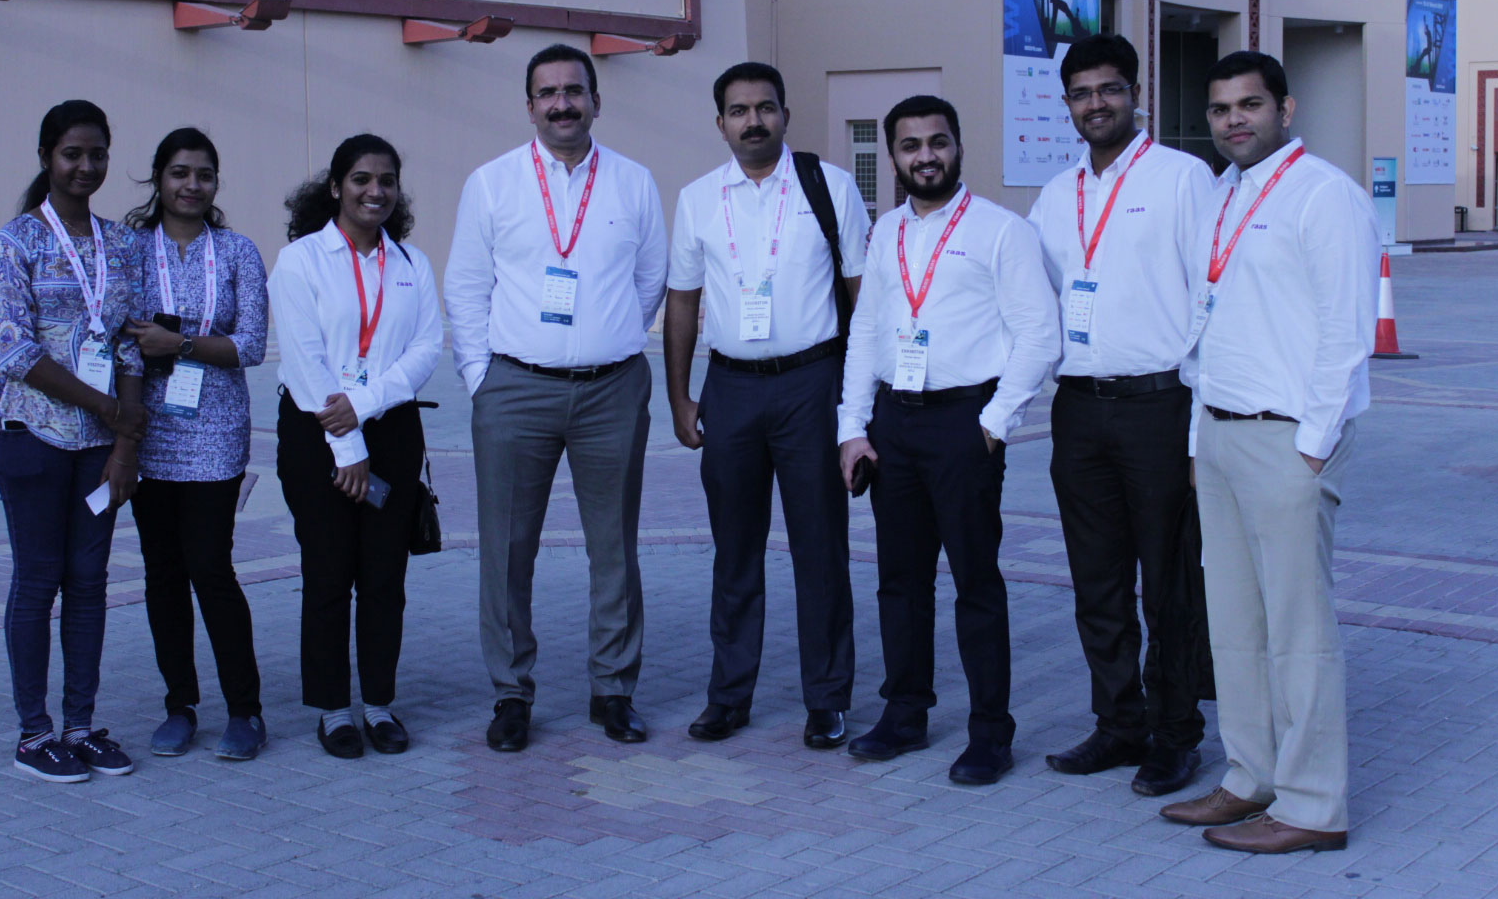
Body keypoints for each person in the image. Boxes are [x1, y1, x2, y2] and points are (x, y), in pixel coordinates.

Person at [1161, 51, 1378, 854]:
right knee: (1235, 623)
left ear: (1285, 109)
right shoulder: (1223, 195)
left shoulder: (1324, 195)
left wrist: (1313, 447)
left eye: (1250, 105)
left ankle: (1314, 806)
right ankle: (1250, 776)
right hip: (1221, 432)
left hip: (1288, 439)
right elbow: (1207, 325)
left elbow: (1347, 332)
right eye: (1220, 109)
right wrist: (1199, 438)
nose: (1234, 121)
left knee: (1297, 630)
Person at [445, 43, 668, 753]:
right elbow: (466, 286)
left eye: (575, 91)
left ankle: (613, 690)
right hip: (515, 388)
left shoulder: (633, 182)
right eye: (548, 93)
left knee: (615, 546)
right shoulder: (491, 183)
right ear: (530, 106)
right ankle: (511, 693)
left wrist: (607, 337)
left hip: (612, 389)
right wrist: (482, 379)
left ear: (597, 101)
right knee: (508, 549)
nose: (562, 104)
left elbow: (651, 278)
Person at [836, 95, 1061, 785]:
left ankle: (990, 731)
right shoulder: (886, 233)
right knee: (899, 582)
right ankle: (905, 713)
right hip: (894, 423)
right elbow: (866, 330)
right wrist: (852, 427)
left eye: (937, 142)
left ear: (958, 146)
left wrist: (994, 425)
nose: (925, 156)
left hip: (965, 422)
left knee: (975, 582)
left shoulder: (1001, 231)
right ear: (893, 156)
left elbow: (1039, 333)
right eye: (910, 146)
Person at [1025, 34, 1216, 797]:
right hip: (1079, 410)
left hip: (1159, 406)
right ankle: (1118, 723)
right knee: (1096, 582)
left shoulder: (1182, 179)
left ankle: (1175, 734)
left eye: (1109, 89)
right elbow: (1029, 304)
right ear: (1067, 104)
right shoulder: (1054, 196)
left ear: (1136, 93)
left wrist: (1200, 427)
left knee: (1169, 584)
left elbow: (1210, 300)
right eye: (1081, 93)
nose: (1096, 104)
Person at [665, 62, 867, 749]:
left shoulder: (829, 186)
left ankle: (827, 699)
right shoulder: (698, 199)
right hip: (731, 388)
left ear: (785, 113)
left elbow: (862, 298)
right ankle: (728, 697)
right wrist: (679, 395)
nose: (754, 121)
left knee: (820, 548)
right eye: (739, 110)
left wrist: (859, 403)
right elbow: (683, 302)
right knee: (735, 551)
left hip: (812, 385)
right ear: (720, 122)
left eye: (765, 108)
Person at [268, 134, 443, 759]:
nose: (376, 191)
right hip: (316, 433)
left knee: (384, 576)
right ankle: (333, 709)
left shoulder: (411, 264)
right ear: (336, 186)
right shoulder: (301, 260)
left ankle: (378, 704)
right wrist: (347, 447)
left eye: (387, 180)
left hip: (389, 430)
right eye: (362, 179)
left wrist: (364, 406)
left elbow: (426, 348)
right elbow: (304, 358)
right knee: (327, 573)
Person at [0, 99, 145, 782]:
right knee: (38, 579)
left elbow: (131, 345)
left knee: (88, 581)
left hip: (99, 447)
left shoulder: (122, 244)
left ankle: (80, 726)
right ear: (47, 158)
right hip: (32, 435)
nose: (85, 166)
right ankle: (34, 734)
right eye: (72, 154)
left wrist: (124, 443)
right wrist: (106, 407)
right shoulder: (18, 239)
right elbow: (15, 348)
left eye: (96, 154)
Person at [119, 128, 269, 762]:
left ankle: (245, 709)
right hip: (148, 430)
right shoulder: (130, 250)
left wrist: (178, 344)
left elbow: (252, 344)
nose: (191, 185)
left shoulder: (236, 252)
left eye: (204, 174)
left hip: (215, 432)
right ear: (158, 178)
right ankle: (180, 705)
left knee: (210, 566)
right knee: (162, 574)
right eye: (179, 172)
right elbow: (110, 330)